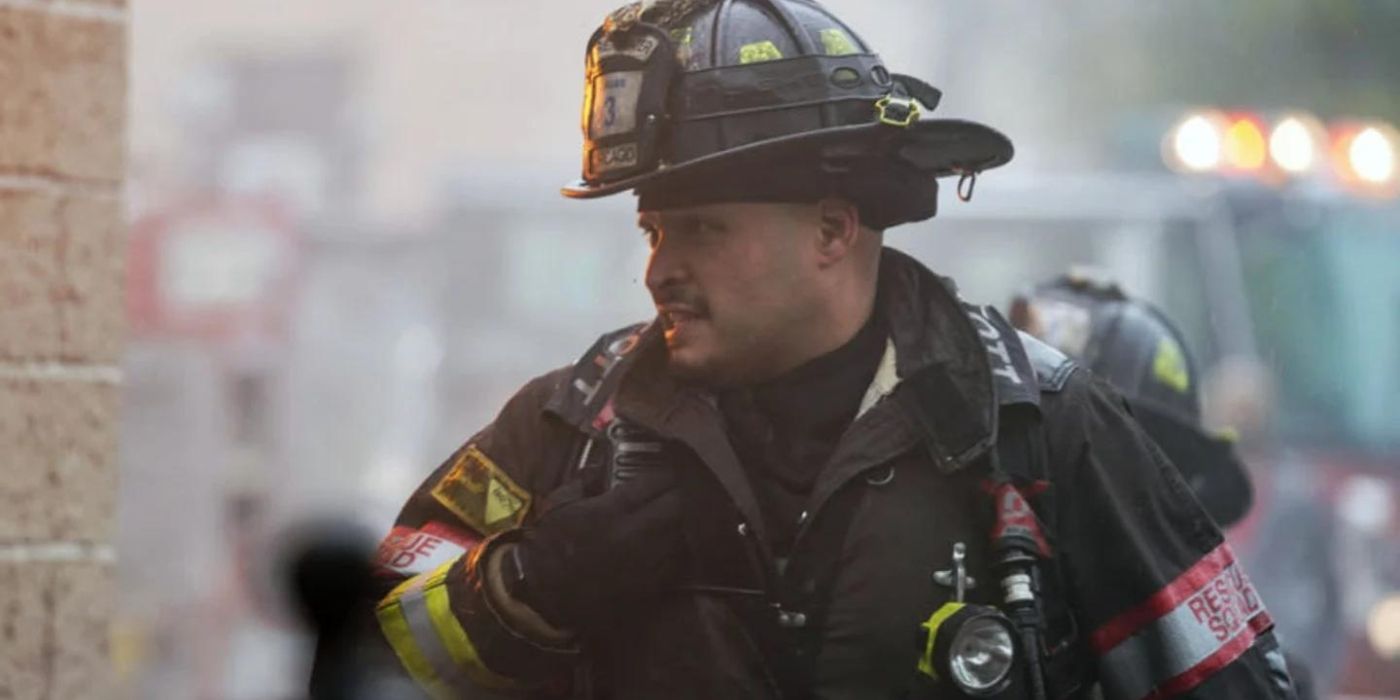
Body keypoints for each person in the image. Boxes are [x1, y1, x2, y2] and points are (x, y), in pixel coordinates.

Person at [337, 1, 1301, 698]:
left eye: (703, 231)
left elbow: (1237, 681)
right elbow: (365, 653)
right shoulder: (572, 424)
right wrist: (523, 587)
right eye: (652, 232)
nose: (658, 271)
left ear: (834, 230)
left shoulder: (1042, 427)